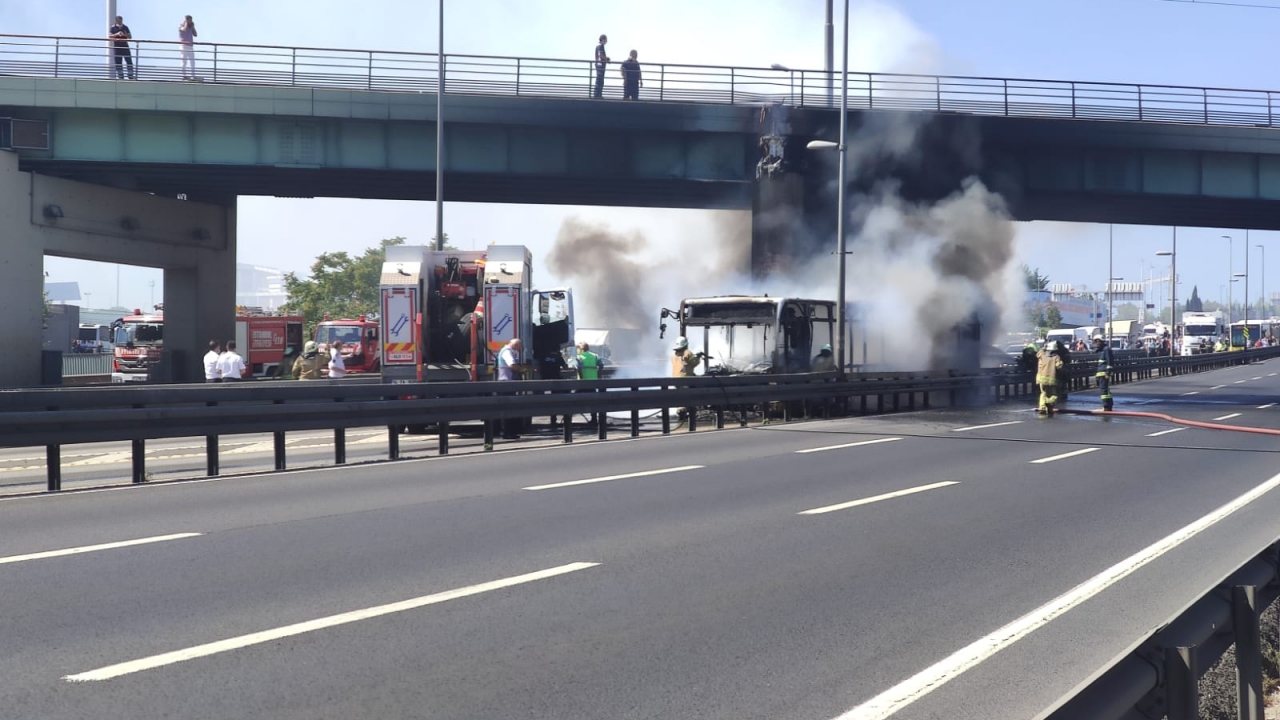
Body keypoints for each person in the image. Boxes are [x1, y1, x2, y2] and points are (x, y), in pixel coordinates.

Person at [497, 338, 529, 438]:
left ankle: (510, 431)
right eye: (519, 348)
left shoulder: (507, 351)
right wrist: (522, 370)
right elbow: (512, 366)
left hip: (507, 383)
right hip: (506, 383)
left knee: (509, 408)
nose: (519, 350)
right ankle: (507, 432)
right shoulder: (507, 352)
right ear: (516, 345)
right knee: (508, 409)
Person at [1036, 340, 1064, 416]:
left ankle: (1042, 408)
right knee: (1053, 395)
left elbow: (1038, 353)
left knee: (1043, 393)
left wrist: (1043, 347)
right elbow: (1059, 366)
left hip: (1041, 378)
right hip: (1051, 379)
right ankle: (1049, 403)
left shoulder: (1042, 355)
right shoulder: (1056, 357)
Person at [109, 16, 135, 80]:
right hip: (117, 47)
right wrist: (117, 34)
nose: (120, 22)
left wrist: (124, 35)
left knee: (129, 61)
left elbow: (130, 37)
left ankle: (130, 75)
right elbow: (110, 36)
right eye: (119, 21)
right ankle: (121, 76)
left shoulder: (125, 27)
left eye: (121, 21)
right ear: (116, 21)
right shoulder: (113, 27)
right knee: (118, 62)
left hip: (125, 46)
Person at [179, 15, 198, 80]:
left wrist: (193, 26)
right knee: (184, 61)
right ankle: (183, 76)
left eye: (190, 20)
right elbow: (184, 30)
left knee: (192, 62)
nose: (190, 21)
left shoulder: (191, 27)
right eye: (188, 20)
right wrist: (186, 23)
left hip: (190, 46)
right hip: (184, 46)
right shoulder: (181, 26)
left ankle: (193, 76)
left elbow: (195, 34)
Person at [593, 34, 609, 98]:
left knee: (600, 80)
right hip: (600, 66)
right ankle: (597, 95)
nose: (606, 41)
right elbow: (600, 55)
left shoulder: (600, 47)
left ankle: (598, 94)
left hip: (600, 66)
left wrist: (606, 59)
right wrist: (606, 59)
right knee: (600, 80)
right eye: (605, 39)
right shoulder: (600, 47)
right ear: (602, 39)